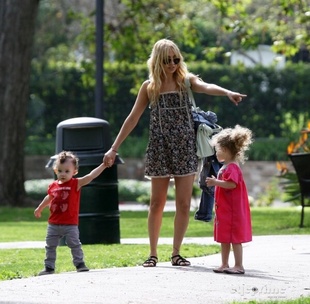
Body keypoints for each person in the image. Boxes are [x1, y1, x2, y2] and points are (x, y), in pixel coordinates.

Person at [103, 38, 247, 267]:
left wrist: (228, 92)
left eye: (176, 59)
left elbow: (207, 87)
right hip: (159, 149)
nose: (172, 64)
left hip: (186, 149)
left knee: (182, 204)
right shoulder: (149, 87)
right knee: (156, 203)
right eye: (167, 60)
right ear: (158, 60)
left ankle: (176, 253)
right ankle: (152, 254)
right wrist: (114, 148)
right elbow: (132, 118)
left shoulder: (186, 82)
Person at [34, 151, 106, 275]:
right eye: (60, 170)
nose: (63, 174)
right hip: (53, 223)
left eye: (67, 171)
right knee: (50, 246)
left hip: (70, 224)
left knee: (74, 244)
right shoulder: (53, 186)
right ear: (56, 170)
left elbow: (90, 176)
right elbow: (49, 198)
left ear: (74, 171)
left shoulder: (75, 184)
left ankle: (79, 263)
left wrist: (103, 165)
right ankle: (49, 267)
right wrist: (40, 208)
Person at [206, 125, 253, 275]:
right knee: (224, 238)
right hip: (225, 210)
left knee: (234, 239)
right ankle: (224, 263)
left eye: (217, 149)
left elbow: (232, 185)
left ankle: (238, 265)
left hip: (232, 211)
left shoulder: (232, 167)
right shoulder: (226, 166)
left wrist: (215, 183)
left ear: (225, 150)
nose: (216, 152)